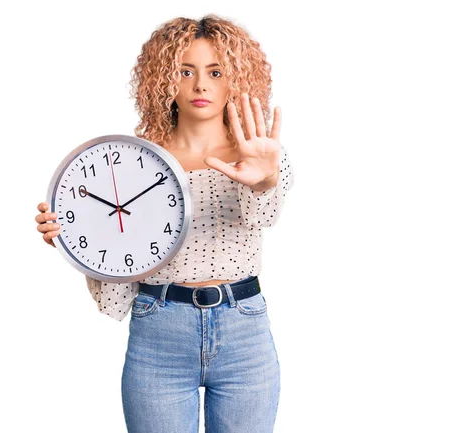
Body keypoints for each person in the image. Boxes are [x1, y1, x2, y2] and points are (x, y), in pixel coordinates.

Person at [35, 14, 294, 433]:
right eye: (185, 70)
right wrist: (71, 240)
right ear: (164, 79)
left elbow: (262, 217)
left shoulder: (258, 153)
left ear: (236, 79)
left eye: (215, 71)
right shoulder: (135, 160)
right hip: (158, 328)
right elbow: (118, 264)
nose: (201, 85)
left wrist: (266, 179)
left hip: (243, 330)